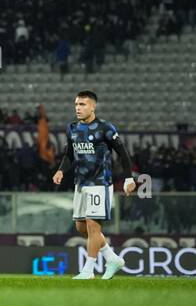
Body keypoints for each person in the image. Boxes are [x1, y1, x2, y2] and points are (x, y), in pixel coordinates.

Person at [52, 90, 138, 280]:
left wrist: (129, 178)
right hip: (80, 183)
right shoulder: (72, 128)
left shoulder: (105, 128)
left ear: (93, 106)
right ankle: (112, 258)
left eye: (82, 104)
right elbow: (69, 154)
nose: (78, 108)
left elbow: (123, 154)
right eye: (76, 104)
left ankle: (88, 270)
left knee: (92, 225)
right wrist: (60, 170)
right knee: (81, 227)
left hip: (99, 183)